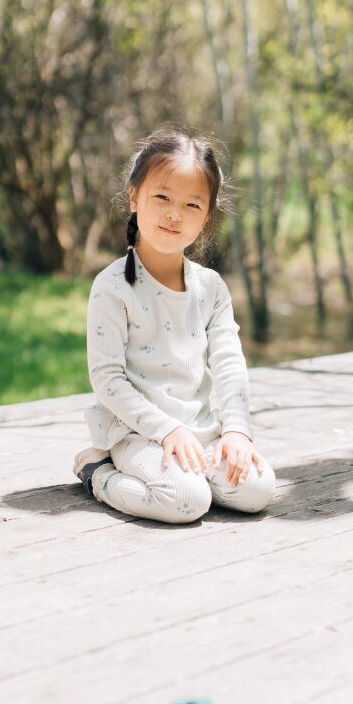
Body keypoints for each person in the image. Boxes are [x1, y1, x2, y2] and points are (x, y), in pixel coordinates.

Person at [73, 127, 276, 524]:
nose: (174, 214)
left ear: (208, 215)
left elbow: (229, 362)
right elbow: (106, 378)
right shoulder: (112, 287)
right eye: (162, 197)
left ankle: (199, 474)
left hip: (201, 431)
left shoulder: (210, 288)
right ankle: (97, 473)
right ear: (134, 197)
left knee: (257, 489)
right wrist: (166, 431)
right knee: (186, 501)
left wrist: (236, 430)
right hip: (138, 433)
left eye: (191, 205)